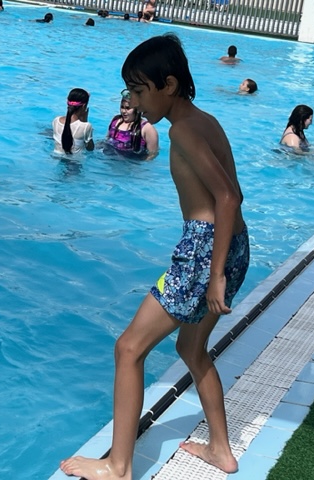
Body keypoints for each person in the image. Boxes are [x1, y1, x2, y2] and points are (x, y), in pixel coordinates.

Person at [60, 33, 248, 479]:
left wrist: (215, 274)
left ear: (169, 84)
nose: (135, 102)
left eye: (140, 91)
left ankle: (119, 466)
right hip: (234, 244)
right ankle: (221, 450)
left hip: (205, 251)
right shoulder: (206, 120)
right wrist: (223, 265)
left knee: (128, 349)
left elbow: (227, 197)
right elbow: (234, 196)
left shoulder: (183, 130)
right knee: (191, 348)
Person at [106, 89, 159, 159]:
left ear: (137, 109)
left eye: (128, 108)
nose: (123, 111)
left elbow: (152, 154)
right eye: (122, 107)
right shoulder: (115, 121)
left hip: (131, 163)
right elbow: (107, 140)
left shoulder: (147, 128)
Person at [52, 88, 94, 154]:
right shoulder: (86, 126)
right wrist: (85, 121)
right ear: (84, 106)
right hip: (76, 160)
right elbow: (90, 148)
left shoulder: (56, 121)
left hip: (55, 156)